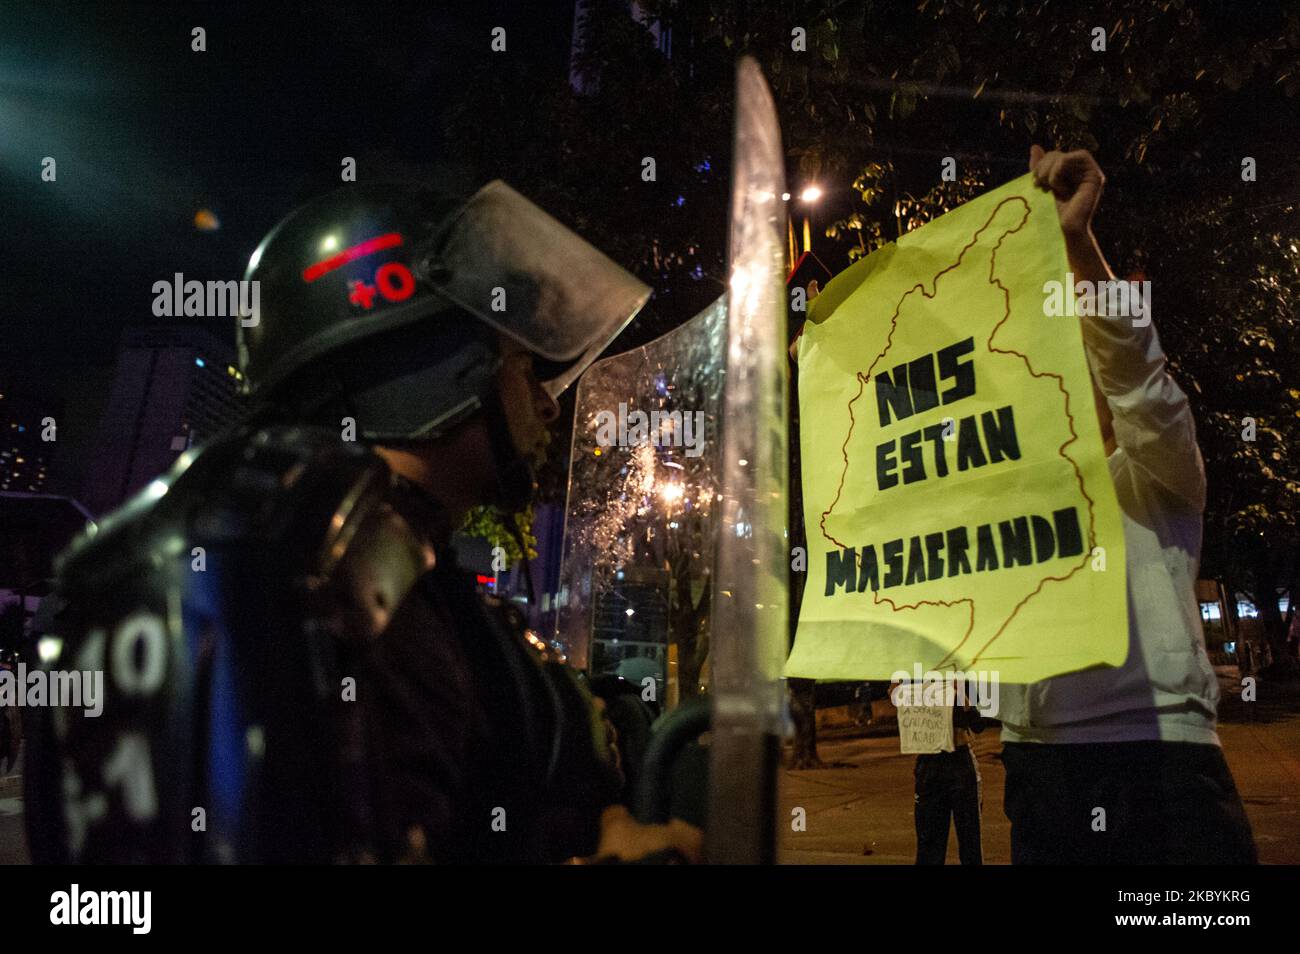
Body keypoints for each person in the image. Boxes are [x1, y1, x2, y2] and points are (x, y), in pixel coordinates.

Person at [25, 180, 701, 864]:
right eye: (523, 364)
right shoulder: (281, 563)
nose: (548, 407)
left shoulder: (403, 570)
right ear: (434, 365)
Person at [997, 146, 1257, 864]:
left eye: (1081, 353)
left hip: (1160, 759)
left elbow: (1137, 372)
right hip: (1040, 761)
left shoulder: (1161, 472)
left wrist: (1078, 245)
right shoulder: (1014, 488)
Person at [912, 694, 983, 865]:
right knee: (929, 839)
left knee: (969, 838)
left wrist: (965, 702)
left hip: (959, 759)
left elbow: (979, 724)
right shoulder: (915, 676)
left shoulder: (965, 681)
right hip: (930, 760)